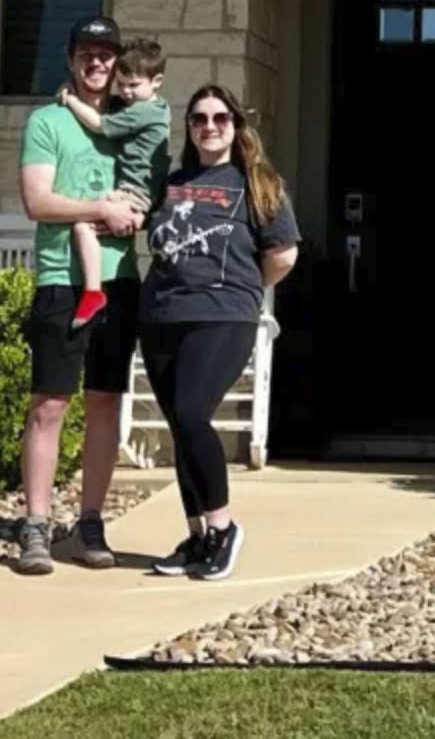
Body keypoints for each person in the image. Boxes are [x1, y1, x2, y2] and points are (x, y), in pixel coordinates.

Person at [138, 85, 300, 581]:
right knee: (181, 428)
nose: (210, 127)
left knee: (192, 414)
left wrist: (240, 289)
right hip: (162, 314)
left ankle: (223, 527)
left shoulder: (258, 183)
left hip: (223, 315)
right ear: (189, 128)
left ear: (236, 125)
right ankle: (197, 537)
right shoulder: (171, 182)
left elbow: (283, 255)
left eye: (220, 119)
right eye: (199, 120)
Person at [16, 15, 142, 576]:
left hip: (119, 279)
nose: (97, 63)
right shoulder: (46, 122)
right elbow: (38, 202)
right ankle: (36, 525)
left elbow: (146, 195)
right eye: (87, 53)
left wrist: (133, 211)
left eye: (107, 54)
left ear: (118, 64)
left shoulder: (131, 124)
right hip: (59, 280)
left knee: (105, 403)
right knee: (49, 404)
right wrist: (100, 209)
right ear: (70, 59)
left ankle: (90, 521)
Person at [57, 38, 170, 329]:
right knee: (89, 226)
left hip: (134, 193)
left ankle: (93, 292)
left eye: (133, 85)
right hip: (141, 193)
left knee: (83, 225)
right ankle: (94, 290)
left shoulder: (143, 112)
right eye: (121, 85)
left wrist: (70, 99)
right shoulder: (157, 107)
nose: (126, 93)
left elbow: (99, 125)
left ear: (157, 81)